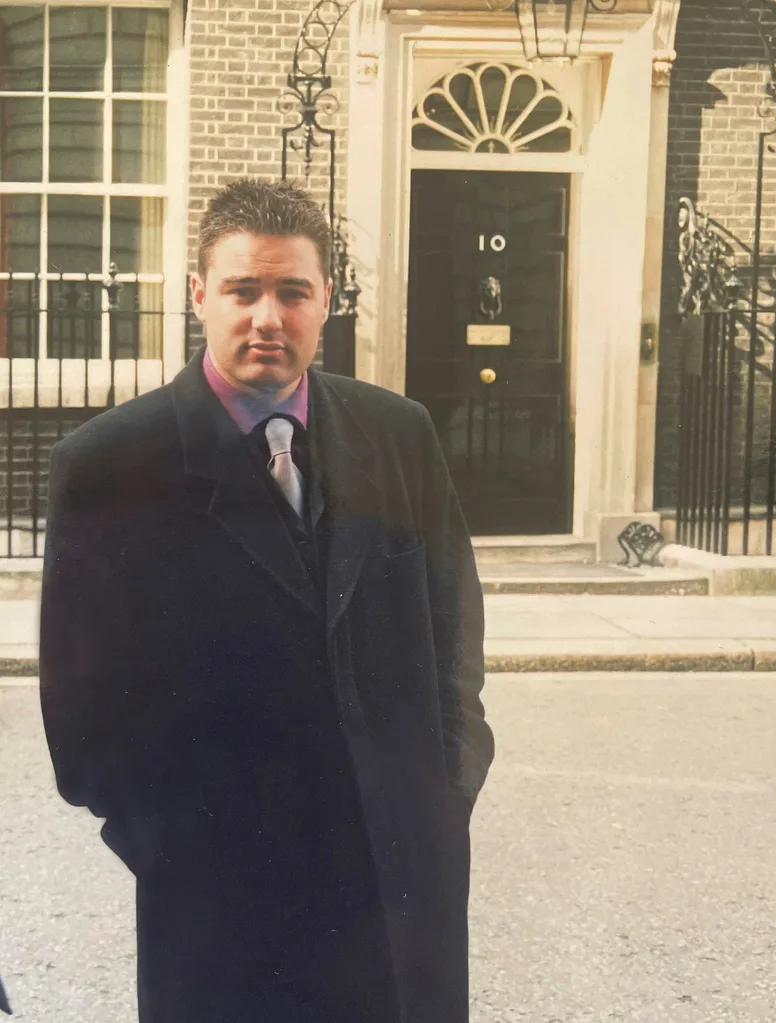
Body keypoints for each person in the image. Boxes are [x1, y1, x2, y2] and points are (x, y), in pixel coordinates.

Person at [38, 178, 494, 1023]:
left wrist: (443, 790)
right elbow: (84, 720)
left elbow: (452, 633)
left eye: (293, 291)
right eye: (244, 290)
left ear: (328, 301)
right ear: (198, 296)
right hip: (220, 904)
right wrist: (178, 850)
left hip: (396, 886)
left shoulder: (400, 433)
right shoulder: (107, 465)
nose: (268, 318)